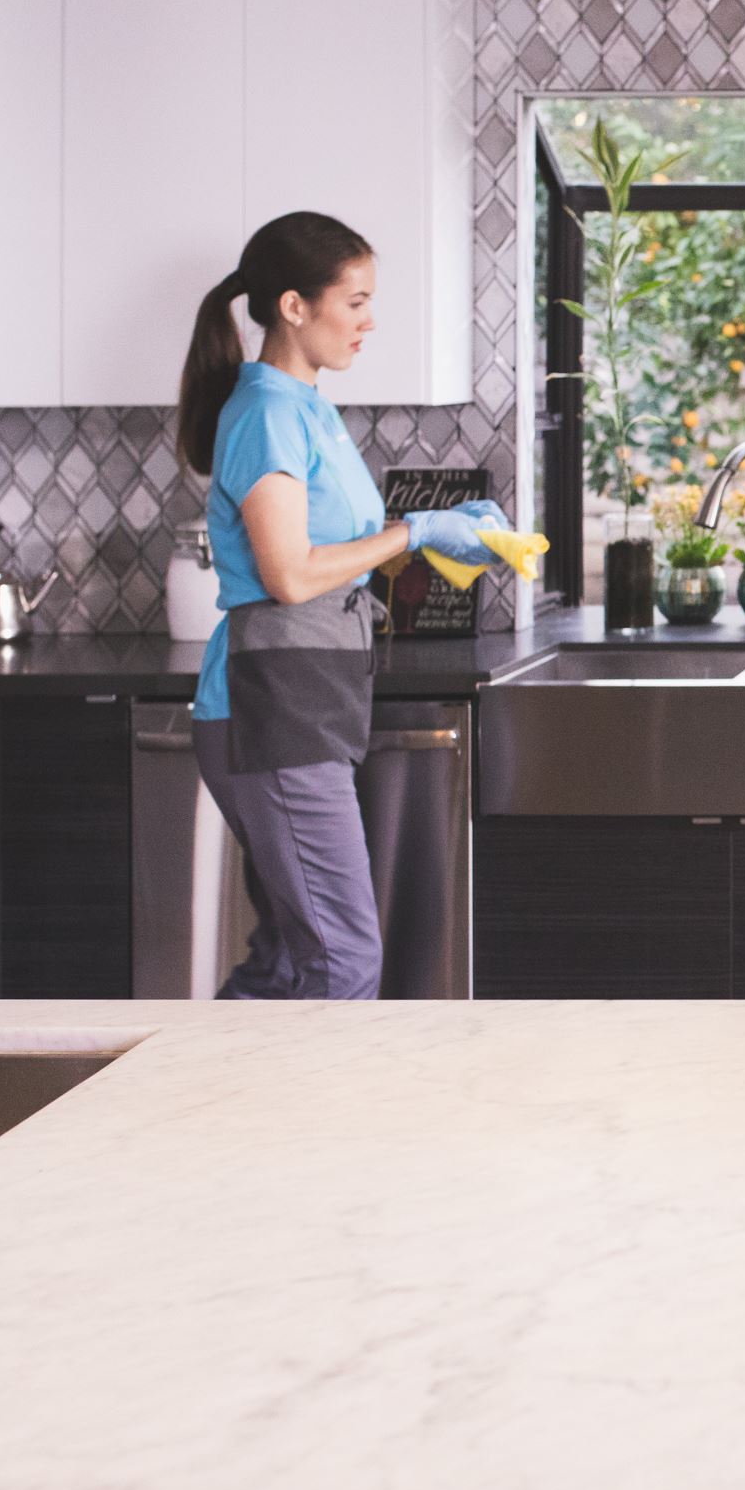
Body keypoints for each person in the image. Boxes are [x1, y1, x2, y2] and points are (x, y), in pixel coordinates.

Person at [172, 211, 506, 1000]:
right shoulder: (267, 414)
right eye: (353, 301)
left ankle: (217, 1112)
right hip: (271, 709)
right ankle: (312, 1125)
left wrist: (433, 538)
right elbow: (288, 574)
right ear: (294, 306)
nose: (369, 319)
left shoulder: (305, 406)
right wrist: (414, 531)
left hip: (300, 698)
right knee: (342, 959)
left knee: (292, 960)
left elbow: (331, 552)